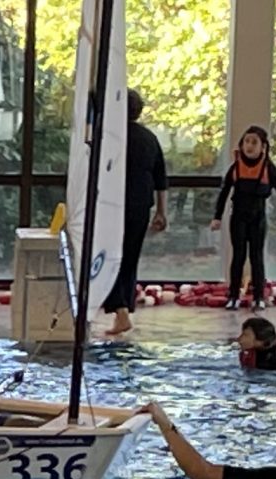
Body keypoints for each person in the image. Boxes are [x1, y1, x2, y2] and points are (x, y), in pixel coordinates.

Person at [102, 91, 172, 336]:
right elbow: (160, 178)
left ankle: (120, 310)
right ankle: (124, 310)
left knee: (109, 257)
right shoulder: (149, 138)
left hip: (114, 204)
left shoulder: (111, 137)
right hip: (141, 205)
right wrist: (161, 212)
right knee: (129, 258)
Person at [209, 125, 276, 310]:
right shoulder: (235, 167)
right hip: (238, 216)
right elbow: (224, 192)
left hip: (258, 217)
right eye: (246, 142)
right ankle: (233, 296)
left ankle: (259, 297)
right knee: (238, 256)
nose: (249, 146)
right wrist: (217, 217)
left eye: (254, 142)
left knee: (256, 257)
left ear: (263, 146)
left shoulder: (268, 168)